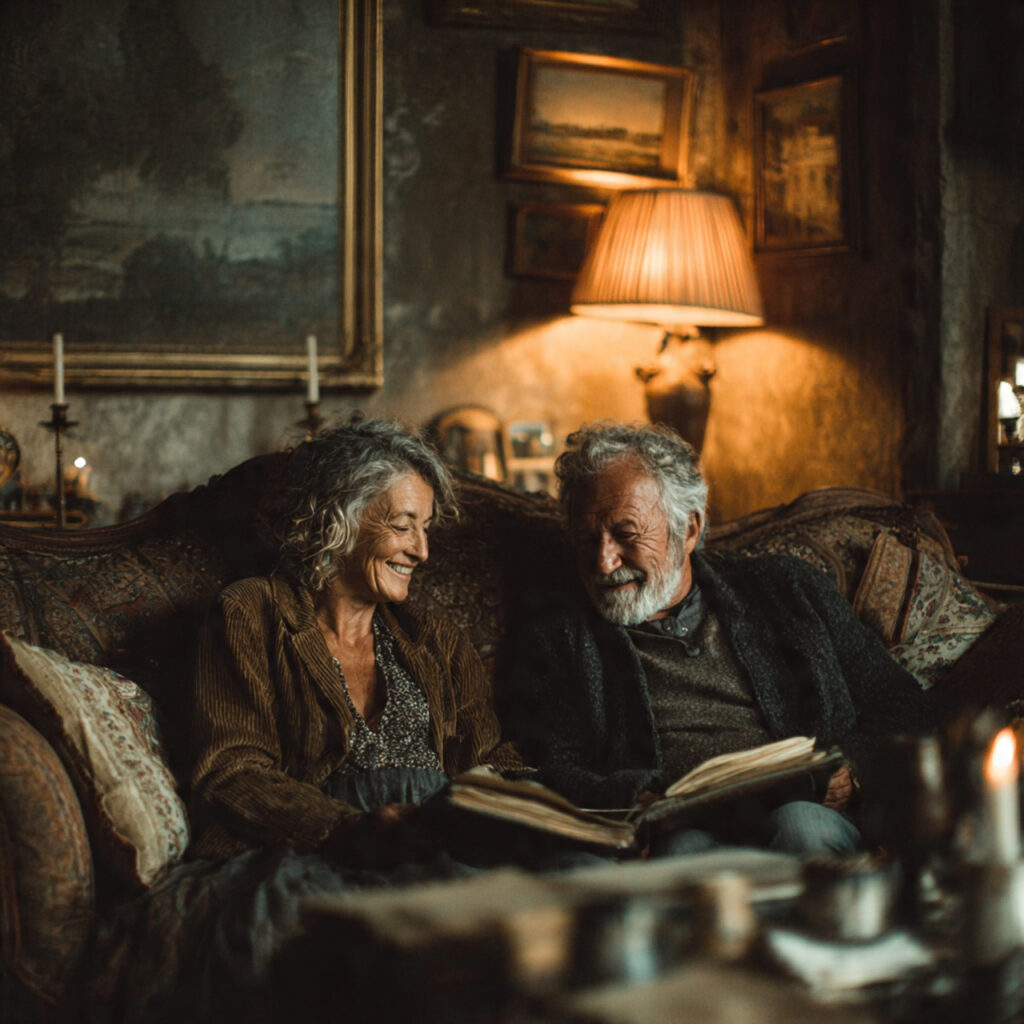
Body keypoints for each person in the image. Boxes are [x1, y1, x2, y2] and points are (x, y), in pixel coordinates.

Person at [503, 421, 932, 858]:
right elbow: (548, 759)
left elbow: (900, 700)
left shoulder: (787, 591)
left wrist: (852, 767)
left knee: (799, 825)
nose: (604, 561)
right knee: (685, 851)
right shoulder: (559, 633)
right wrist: (631, 798)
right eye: (586, 539)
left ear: (688, 530)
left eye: (626, 534)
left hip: (804, 813)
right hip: (680, 830)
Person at [189, 417, 524, 864]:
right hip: (307, 854)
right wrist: (348, 828)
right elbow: (231, 773)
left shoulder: (438, 642)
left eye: (425, 528)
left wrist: (524, 795)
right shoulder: (251, 613)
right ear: (339, 517)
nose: (422, 551)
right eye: (404, 526)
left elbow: (486, 760)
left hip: (429, 851)